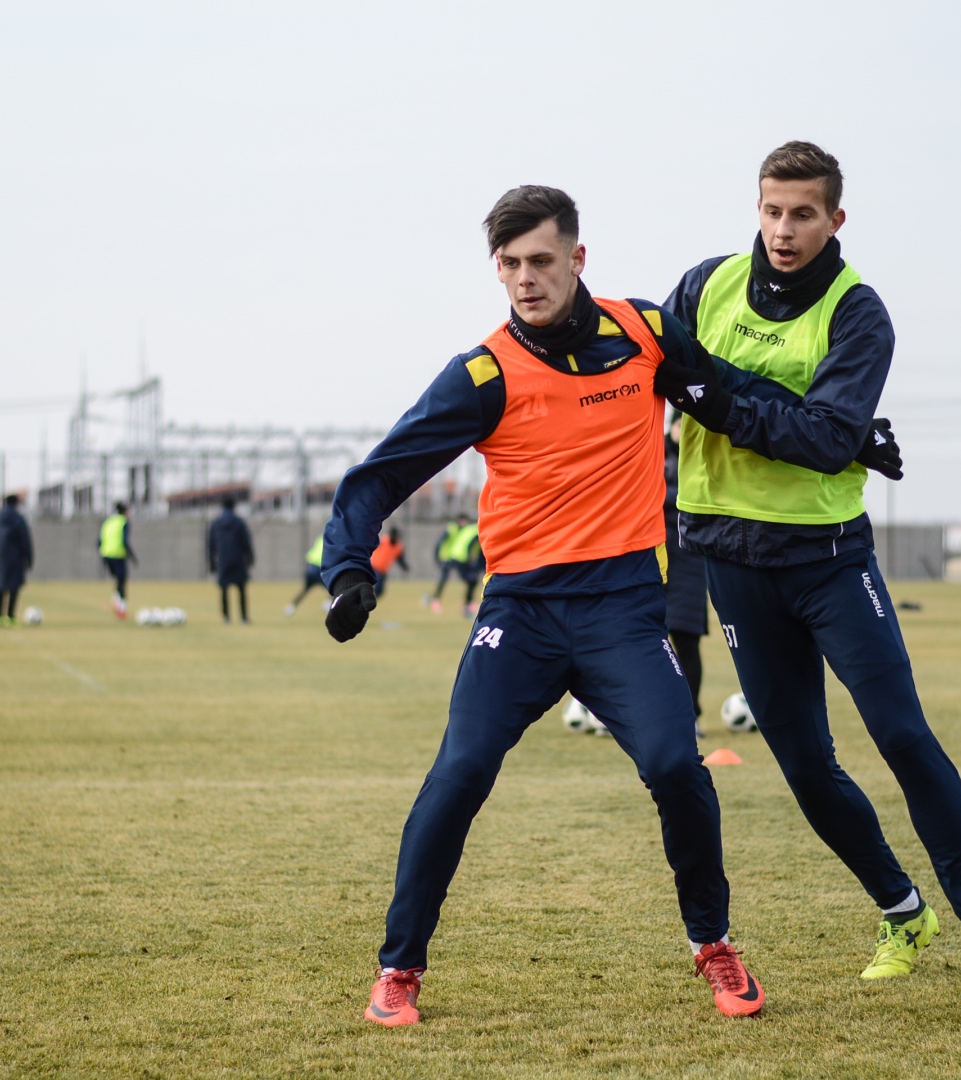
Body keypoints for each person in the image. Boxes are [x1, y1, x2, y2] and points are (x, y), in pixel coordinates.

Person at [322, 185, 770, 1027]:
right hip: (520, 613)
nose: (525, 278)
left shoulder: (644, 333)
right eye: (509, 264)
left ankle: (712, 942)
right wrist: (346, 569)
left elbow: (735, 396)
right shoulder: (484, 374)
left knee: (678, 765)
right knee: (459, 773)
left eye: (540, 260)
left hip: (623, 611)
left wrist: (839, 433)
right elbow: (378, 476)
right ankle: (398, 968)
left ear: (577, 258)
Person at [661, 141, 961, 1001]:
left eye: (803, 214)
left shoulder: (859, 313)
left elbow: (823, 438)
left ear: (836, 218)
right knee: (804, 764)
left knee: (903, 737)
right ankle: (902, 910)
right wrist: (773, 409)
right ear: (756, 209)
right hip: (730, 561)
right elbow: (655, 367)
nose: (784, 230)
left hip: (828, 561)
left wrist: (721, 400)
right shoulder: (704, 285)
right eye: (772, 211)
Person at [663, 411, 709, 726]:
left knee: (687, 642)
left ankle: (690, 716)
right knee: (644, 641)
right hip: (654, 561)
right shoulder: (652, 451)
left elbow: (703, 497)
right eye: (680, 424)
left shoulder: (703, 455)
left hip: (690, 562)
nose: (684, 429)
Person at [207, 496, 254, 624]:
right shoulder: (239, 523)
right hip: (238, 559)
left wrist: (211, 563)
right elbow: (246, 542)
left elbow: (210, 545)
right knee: (241, 589)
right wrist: (250, 559)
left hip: (223, 560)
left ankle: (226, 617)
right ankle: (244, 617)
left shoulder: (216, 523)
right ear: (234, 506)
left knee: (223, 589)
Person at [0, 494, 33, 627]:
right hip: (17, 558)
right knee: (15, 586)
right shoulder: (19, 519)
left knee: (2, 585)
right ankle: (10, 616)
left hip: (2, 557)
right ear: (16, 504)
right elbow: (25, 540)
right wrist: (29, 558)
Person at [427, 514, 482, 615]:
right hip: (450, 558)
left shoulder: (468, 530)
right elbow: (440, 542)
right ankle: (436, 600)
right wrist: (438, 557)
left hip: (459, 557)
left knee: (471, 580)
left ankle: (468, 602)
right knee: (444, 579)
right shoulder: (452, 528)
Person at [97, 502, 137, 619]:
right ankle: (122, 609)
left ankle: (116, 604)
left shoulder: (108, 522)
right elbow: (124, 540)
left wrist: (103, 553)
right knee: (122, 581)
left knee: (118, 581)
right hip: (118, 555)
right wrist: (132, 556)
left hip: (106, 555)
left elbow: (99, 541)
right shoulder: (123, 522)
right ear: (124, 512)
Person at [284, 535, 325, 617]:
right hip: (319, 569)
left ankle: (291, 607)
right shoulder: (332, 539)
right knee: (334, 589)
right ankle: (327, 606)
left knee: (305, 589)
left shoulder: (320, 538)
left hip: (310, 567)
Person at [369, 527, 409, 598]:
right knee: (377, 586)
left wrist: (404, 567)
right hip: (374, 566)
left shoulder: (398, 547)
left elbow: (400, 559)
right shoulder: (383, 540)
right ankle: (368, 599)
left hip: (383, 571)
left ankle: (370, 599)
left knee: (380, 591)